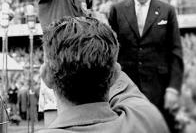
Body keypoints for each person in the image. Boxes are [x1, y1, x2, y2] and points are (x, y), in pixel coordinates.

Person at [39, 16, 169, 133]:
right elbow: (123, 84)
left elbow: (115, 71)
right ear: (114, 75)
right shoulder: (147, 120)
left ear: (46, 76)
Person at [108, 0, 184, 133]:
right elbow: (111, 52)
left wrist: (173, 89)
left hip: (159, 88)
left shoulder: (167, 11)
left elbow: (176, 52)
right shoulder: (117, 10)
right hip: (127, 88)